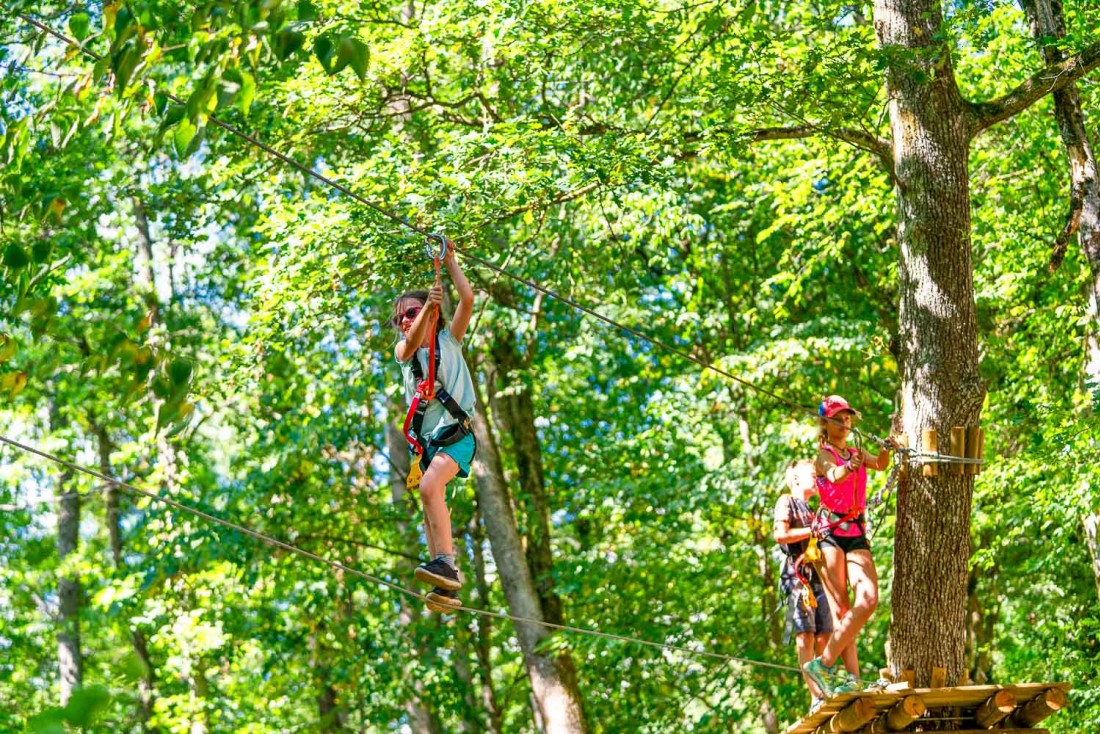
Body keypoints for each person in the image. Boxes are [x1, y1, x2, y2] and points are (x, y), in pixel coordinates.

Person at [393, 239, 476, 612]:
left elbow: (467, 299)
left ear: (435, 315)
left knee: (429, 488)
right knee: (429, 508)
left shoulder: (449, 340)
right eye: (399, 319)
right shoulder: (405, 353)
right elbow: (409, 344)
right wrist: (426, 306)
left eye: (410, 312)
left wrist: (450, 260)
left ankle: (445, 563)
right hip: (428, 445)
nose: (405, 321)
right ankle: (446, 582)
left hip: (456, 436)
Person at [803, 395, 895, 698]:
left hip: (855, 531)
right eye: (838, 418)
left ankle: (824, 663)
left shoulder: (856, 451)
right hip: (830, 533)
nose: (845, 423)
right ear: (825, 423)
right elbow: (833, 474)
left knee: (867, 599)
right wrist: (850, 467)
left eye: (847, 418)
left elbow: (880, 464)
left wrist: (887, 446)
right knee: (842, 609)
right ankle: (853, 678)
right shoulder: (823, 455)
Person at [773, 458, 835, 710]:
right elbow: (780, 535)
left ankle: (827, 689)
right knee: (806, 635)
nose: (818, 478)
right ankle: (815, 696)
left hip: (819, 577)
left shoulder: (815, 510)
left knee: (825, 636)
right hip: (796, 577)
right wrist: (811, 531)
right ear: (796, 479)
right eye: (813, 474)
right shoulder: (786, 501)